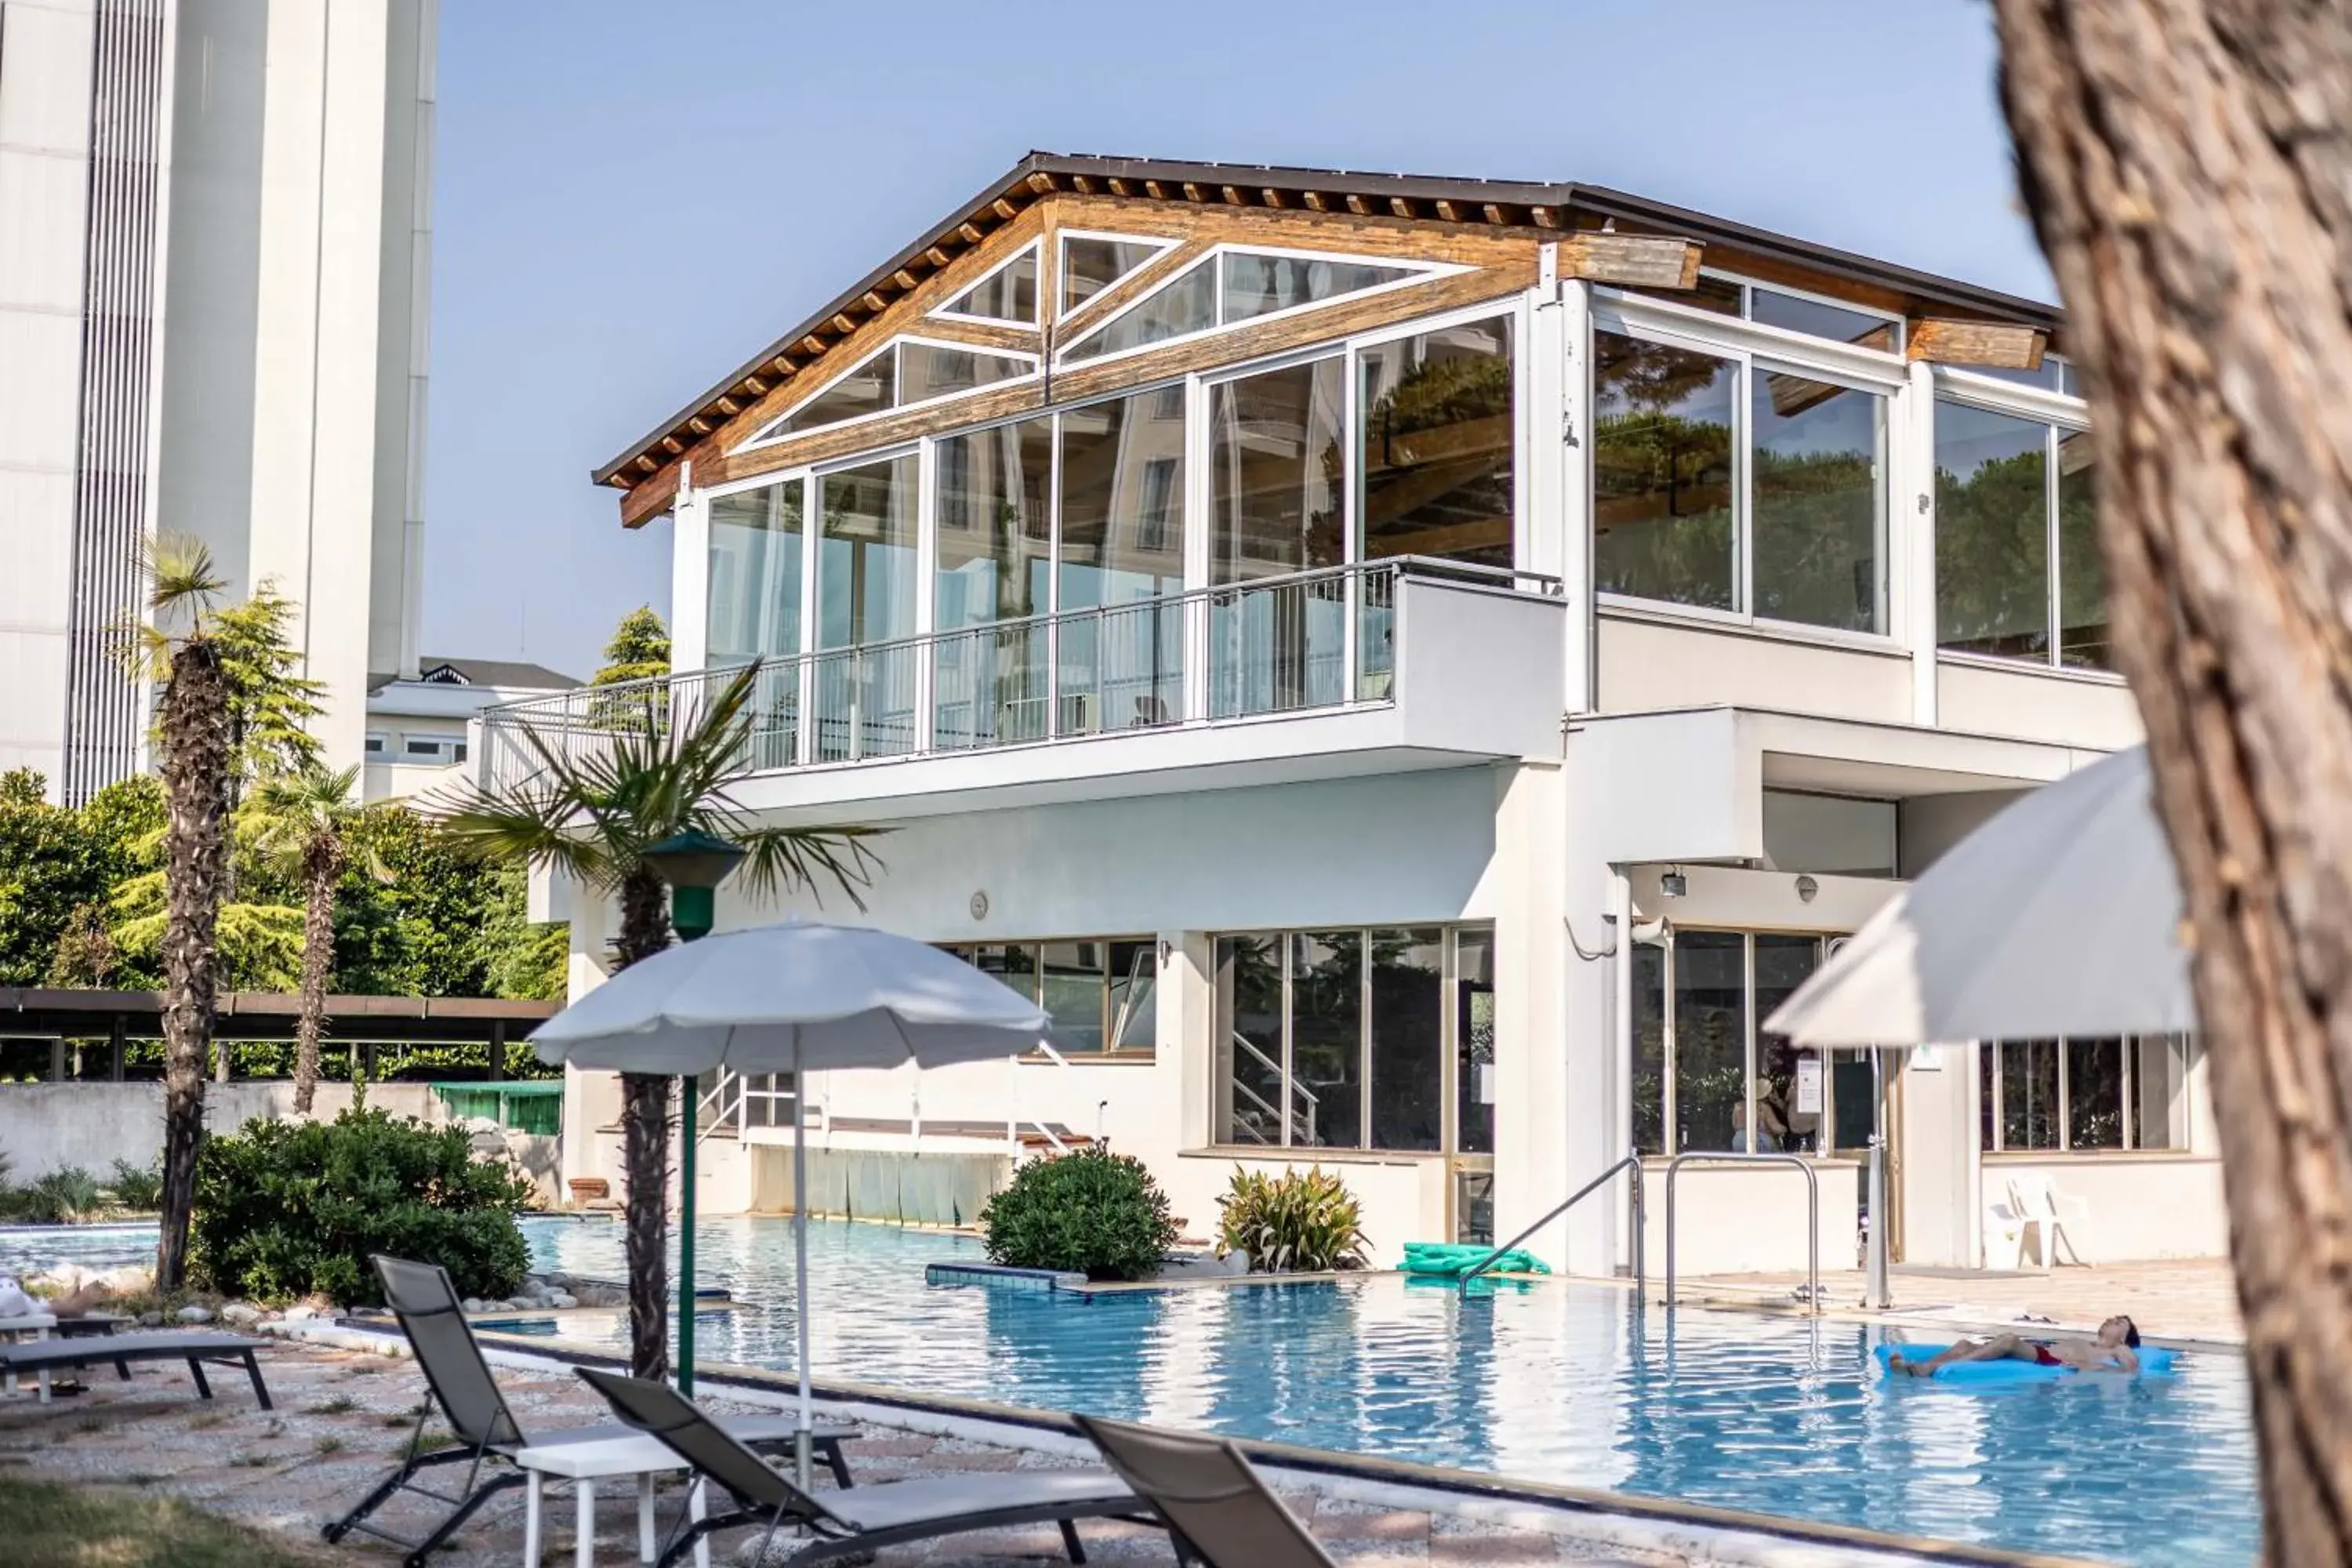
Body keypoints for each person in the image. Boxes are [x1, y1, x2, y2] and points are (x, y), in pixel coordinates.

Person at [1890, 1315, 2142, 1377]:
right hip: (2041, 1351)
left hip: (2049, 1361)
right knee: (1965, 1343)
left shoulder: (2118, 1350)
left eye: (2119, 1322)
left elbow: (2130, 1371)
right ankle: (1918, 1367)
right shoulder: (2088, 1342)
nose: (2111, 1319)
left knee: (2008, 1339)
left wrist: (2087, 1367)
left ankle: (1926, 1369)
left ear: (2123, 1337)